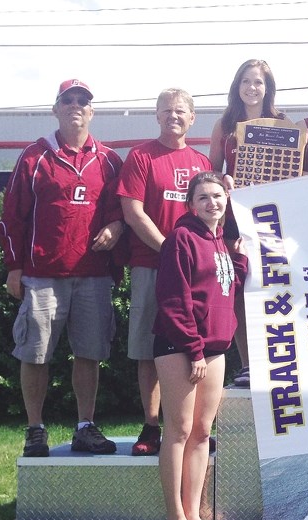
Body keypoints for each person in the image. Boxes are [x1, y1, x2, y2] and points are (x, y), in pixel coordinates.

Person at [0, 79, 123, 457]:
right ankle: (35, 429)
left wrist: (115, 227)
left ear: (92, 111)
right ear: (55, 109)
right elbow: (11, 216)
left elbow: (122, 210)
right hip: (42, 274)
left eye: (83, 101)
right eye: (67, 100)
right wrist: (14, 267)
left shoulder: (108, 159)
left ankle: (85, 425)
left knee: (90, 352)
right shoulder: (36, 156)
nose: (75, 106)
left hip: (93, 275)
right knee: (35, 353)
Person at [154, 171, 247, 520]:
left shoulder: (220, 241)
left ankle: (194, 514)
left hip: (215, 349)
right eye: (204, 197)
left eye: (218, 196)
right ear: (191, 204)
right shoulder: (182, 238)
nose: (212, 202)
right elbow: (175, 300)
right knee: (178, 430)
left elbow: (224, 289)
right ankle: (174, 519)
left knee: (202, 432)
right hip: (182, 347)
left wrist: (237, 261)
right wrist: (193, 350)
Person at [119, 88, 212, 456]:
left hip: (196, 272)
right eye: (166, 111)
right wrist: (170, 249)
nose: (173, 116)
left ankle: (195, 427)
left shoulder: (201, 161)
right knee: (148, 349)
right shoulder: (141, 157)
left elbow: (212, 211)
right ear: (156, 116)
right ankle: (151, 424)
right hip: (151, 265)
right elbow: (133, 212)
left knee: (199, 349)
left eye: (180, 111)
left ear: (192, 118)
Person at [209, 59, 287, 388]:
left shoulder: (283, 122)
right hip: (234, 221)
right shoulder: (225, 123)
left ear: (268, 87)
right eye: (245, 81)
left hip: (271, 219)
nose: (252, 88)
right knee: (240, 291)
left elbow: (292, 172)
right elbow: (210, 171)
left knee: (273, 290)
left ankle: (278, 362)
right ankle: (246, 365)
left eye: (258, 82)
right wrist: (223, 178)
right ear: (237, 86)